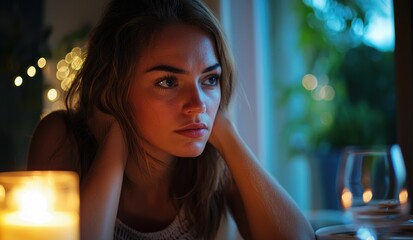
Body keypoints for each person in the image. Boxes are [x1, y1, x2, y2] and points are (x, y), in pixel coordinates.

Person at [27, 0, 315, 239]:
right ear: (113, 87)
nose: (198, 105)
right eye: (168, 81)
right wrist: (114, 143)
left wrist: (227, 135)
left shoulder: (213, 163)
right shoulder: (61, 139)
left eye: (210, 79)